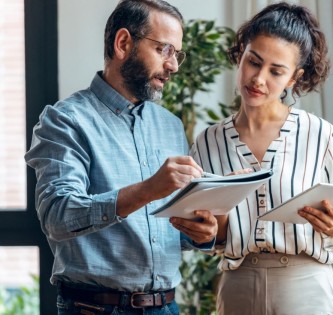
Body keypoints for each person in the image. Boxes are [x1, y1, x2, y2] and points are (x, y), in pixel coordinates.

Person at [24, 0, 218, 314]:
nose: (174, 66)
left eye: (177, 54)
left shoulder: (170, 125)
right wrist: (148, 189)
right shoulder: (65, 121)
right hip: (95, 308)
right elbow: (58, 216)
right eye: (164, 50)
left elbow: (164, 231)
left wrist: (201, 233)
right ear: (123, 43)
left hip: (168, 307)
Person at [191, 2, 333, 314]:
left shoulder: (320, 135)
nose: (258, 79)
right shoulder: (208, 142)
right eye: (253, 62)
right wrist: (211, 228)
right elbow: (213, 236)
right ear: (240, 53)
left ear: (294, 77)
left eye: (276, 71)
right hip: (237, 287)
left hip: (307, 287)